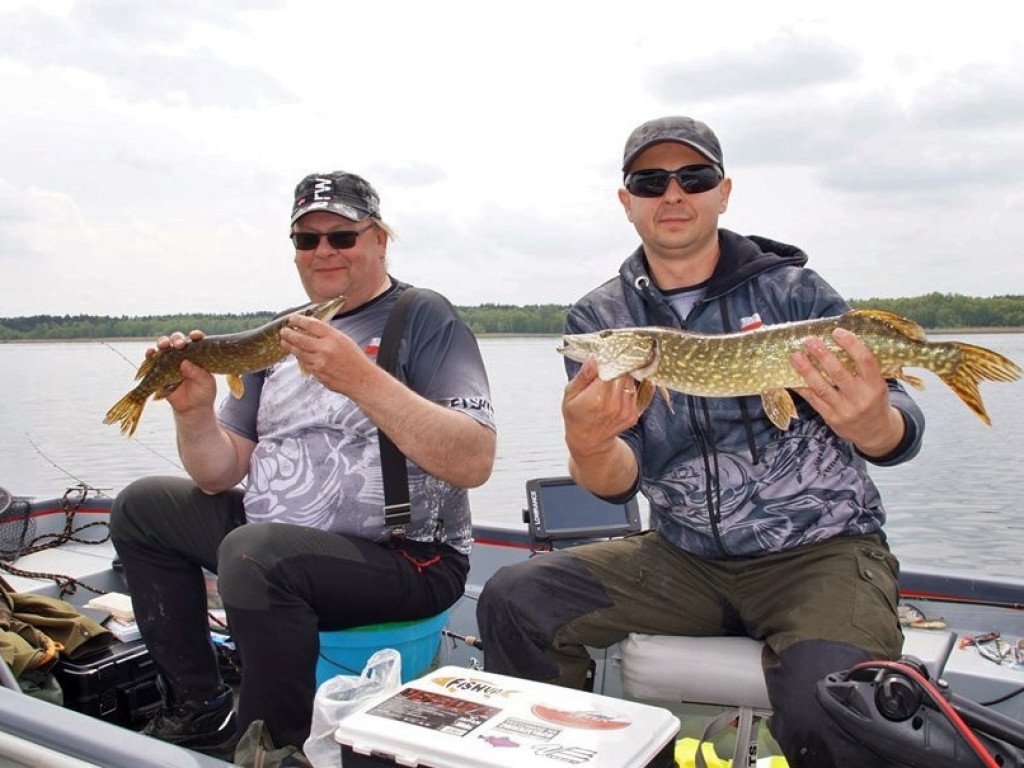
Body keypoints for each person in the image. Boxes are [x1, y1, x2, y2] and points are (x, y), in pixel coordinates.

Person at [476, 117, 924, 767]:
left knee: (834, 705)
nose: (673, 194)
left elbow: (901, 426)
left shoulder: (794, 291)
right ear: (626, 201)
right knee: (515, 600)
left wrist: (873, 424)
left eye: (694, 177)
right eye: (650, 182)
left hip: (821, 554)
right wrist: (588, 444)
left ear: (724, 192)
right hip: (682, 558)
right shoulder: (603, 320)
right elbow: (615, 483)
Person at [110, 171, 496, 759]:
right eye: (306, 239)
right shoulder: (281, 334)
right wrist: (194, 413)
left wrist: (360, 378)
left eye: (342, 236)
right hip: (278, 543)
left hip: (408, 558)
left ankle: (274, 748)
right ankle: (198, 707)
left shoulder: (423, 316)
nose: (323, 251)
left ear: (379, 240)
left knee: (255, 554)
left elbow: (474, 459)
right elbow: (219, 473)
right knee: (143, 508)